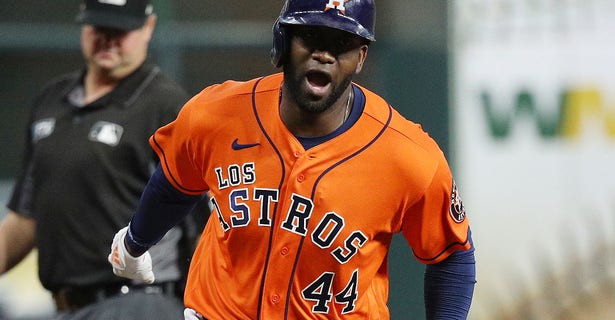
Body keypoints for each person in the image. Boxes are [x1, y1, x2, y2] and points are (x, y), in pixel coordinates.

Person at [108, 0, 476, 319]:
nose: (325, 55)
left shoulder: (407, 155)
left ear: (361, 57)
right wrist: (135, 242)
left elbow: (452, 255)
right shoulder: (216, 114)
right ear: (283, 41)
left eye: (343, 43)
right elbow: (175, 182)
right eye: (312, 37)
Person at [0, 0, 209, 319]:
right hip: (66, 306)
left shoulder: (167, 106)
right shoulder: (50, 100)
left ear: (148, 27)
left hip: (140, 303)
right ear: (83, 22)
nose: (108, 38)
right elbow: (26, 217)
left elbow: (203, 226)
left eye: (121, 29)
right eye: (100, 26)